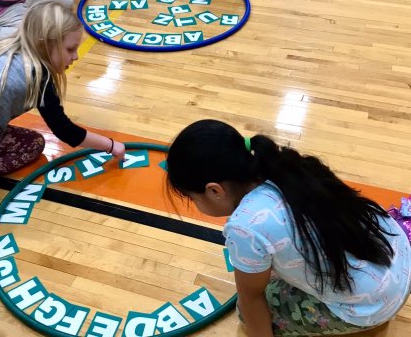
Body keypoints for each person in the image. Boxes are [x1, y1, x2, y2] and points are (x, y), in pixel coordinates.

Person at [0, 0, 126, 337]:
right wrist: (112, 145)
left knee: (33, 144)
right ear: (48, 44)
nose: (75, 56)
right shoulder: (39, 76)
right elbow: (68, 133)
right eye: (71, 49)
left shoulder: (17, 49)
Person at [166, 120, 411, 336]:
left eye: (192, 198)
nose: (194, 204)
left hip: (376, 304)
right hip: (399, 256)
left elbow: (251, 299)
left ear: (214, 190)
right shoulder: (284, 165)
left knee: (245, 313)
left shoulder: (244, 227)